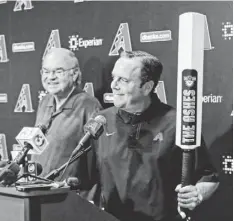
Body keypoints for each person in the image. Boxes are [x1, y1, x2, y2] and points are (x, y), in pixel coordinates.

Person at [94, 51, 219, 221]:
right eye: (113, 77)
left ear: (147, 87)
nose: (114, 85)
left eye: (123, 80)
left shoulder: (177, 123)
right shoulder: (102, 120)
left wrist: (197, 193)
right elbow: (88, 178)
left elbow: (209, 177)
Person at [32, 48, 102, 195]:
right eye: (46, 71)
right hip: (38, 191)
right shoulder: (45, 102)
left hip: (69, 197)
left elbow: (98, 161)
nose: (51, 77)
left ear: (74, 73)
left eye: (58, 71)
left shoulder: (89, 105)